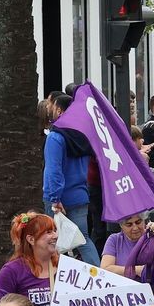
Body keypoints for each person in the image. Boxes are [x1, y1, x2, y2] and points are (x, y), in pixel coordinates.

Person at [40, 91, 100, 265]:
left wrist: (54, 198)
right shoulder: (83, 135)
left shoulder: (55, 137)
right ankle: (98, 277)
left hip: (60, 199)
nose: (48, 108)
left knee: (53, 242)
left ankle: (59, 279)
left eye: (51, 106)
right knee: (84, 240)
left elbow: (53, 170)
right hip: (80, 194)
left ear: (59, 111)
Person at [100, 212, 154, 292]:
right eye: (129, 224)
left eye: (138, 222)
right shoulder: (114, 240)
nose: (135, 228)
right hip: (124, 291)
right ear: (121, 226)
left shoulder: (153, 236)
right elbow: (105, 269)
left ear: (144, 221)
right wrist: (137, 270)